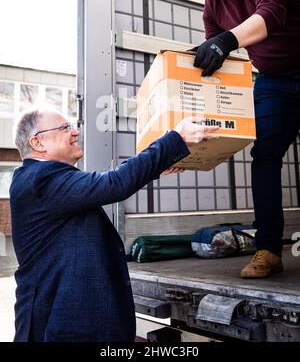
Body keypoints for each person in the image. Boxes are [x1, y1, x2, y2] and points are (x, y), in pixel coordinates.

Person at [10, 108, 219, 342]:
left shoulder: (44, 180)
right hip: (59, 325)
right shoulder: (40, 179)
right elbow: (114, 183)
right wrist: (176, 139)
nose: (75, 132)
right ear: (38, 142)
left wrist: (157, 166)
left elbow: (111, 182)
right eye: (64, 128)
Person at [180, 0, 300, 278]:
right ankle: (268, 249)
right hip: (274, 82)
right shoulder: (212, 7)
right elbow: (218, 68)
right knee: (263, 155)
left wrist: (226, 40)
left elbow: (273, 11)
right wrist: (194, 138)